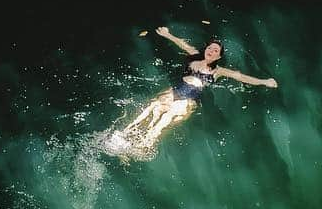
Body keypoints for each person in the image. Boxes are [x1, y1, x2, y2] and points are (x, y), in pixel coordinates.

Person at [103, 25, 278, 159]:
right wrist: (167, 34)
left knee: (164, 119)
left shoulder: (218, 71)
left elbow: (241, 77)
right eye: (210, 48)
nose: (211, 51)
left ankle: (140, 147)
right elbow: (182, 44)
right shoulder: (194, 55)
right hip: (175, 90)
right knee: (152, 108)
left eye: (216, 51)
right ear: (205, 50)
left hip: (189, 99)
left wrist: (264, 82)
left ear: (218, 57)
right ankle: (123, 135)